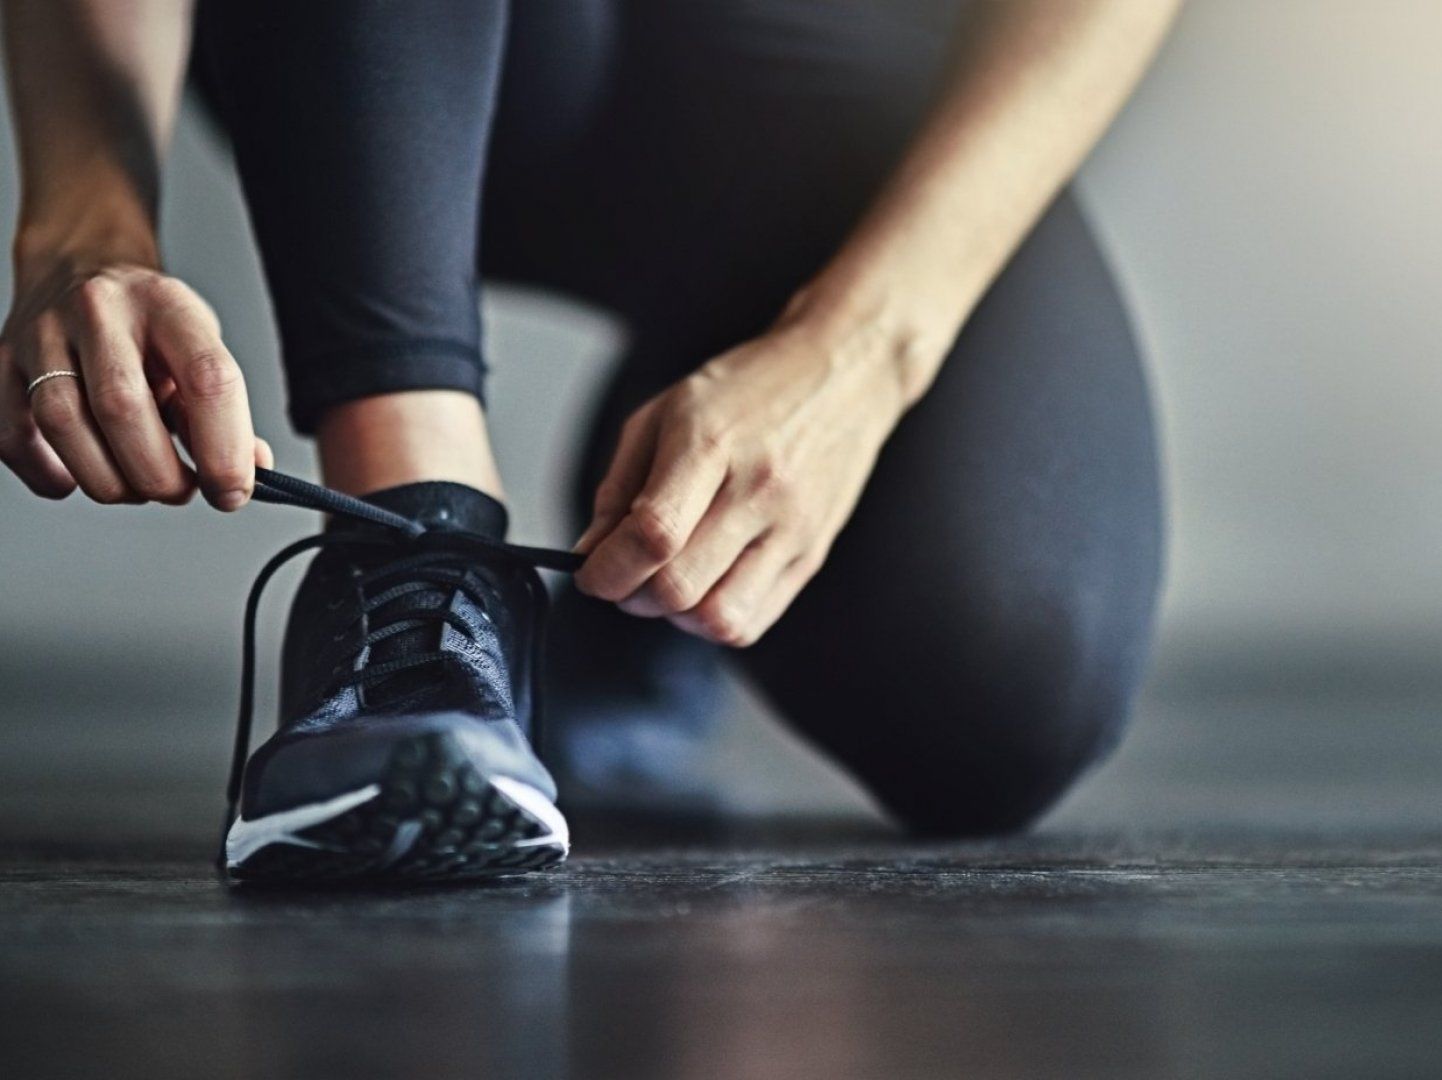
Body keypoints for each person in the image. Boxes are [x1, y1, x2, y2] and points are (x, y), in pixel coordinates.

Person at [0, 0, 1176, 882]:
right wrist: (80, 217)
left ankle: (643, 558)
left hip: (841, 74)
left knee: (1003, 693)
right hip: (391, 53)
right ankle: (416, 562)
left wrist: (861, 350)